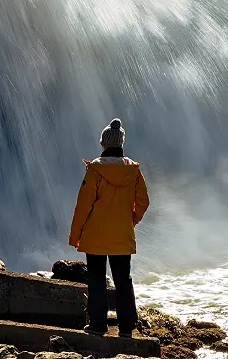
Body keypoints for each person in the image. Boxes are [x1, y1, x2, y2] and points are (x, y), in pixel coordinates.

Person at [69, 118, 150, 337]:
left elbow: (83, 206)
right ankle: (126, 328)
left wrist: (75, 236)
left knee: (96, 279)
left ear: (103, 145)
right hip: (122, 235)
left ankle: (97, 326)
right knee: (123, 280)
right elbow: (143, 202)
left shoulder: (95, 170)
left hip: (95, 235)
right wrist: (130, 220)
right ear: (121, 144)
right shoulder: (133, 171)